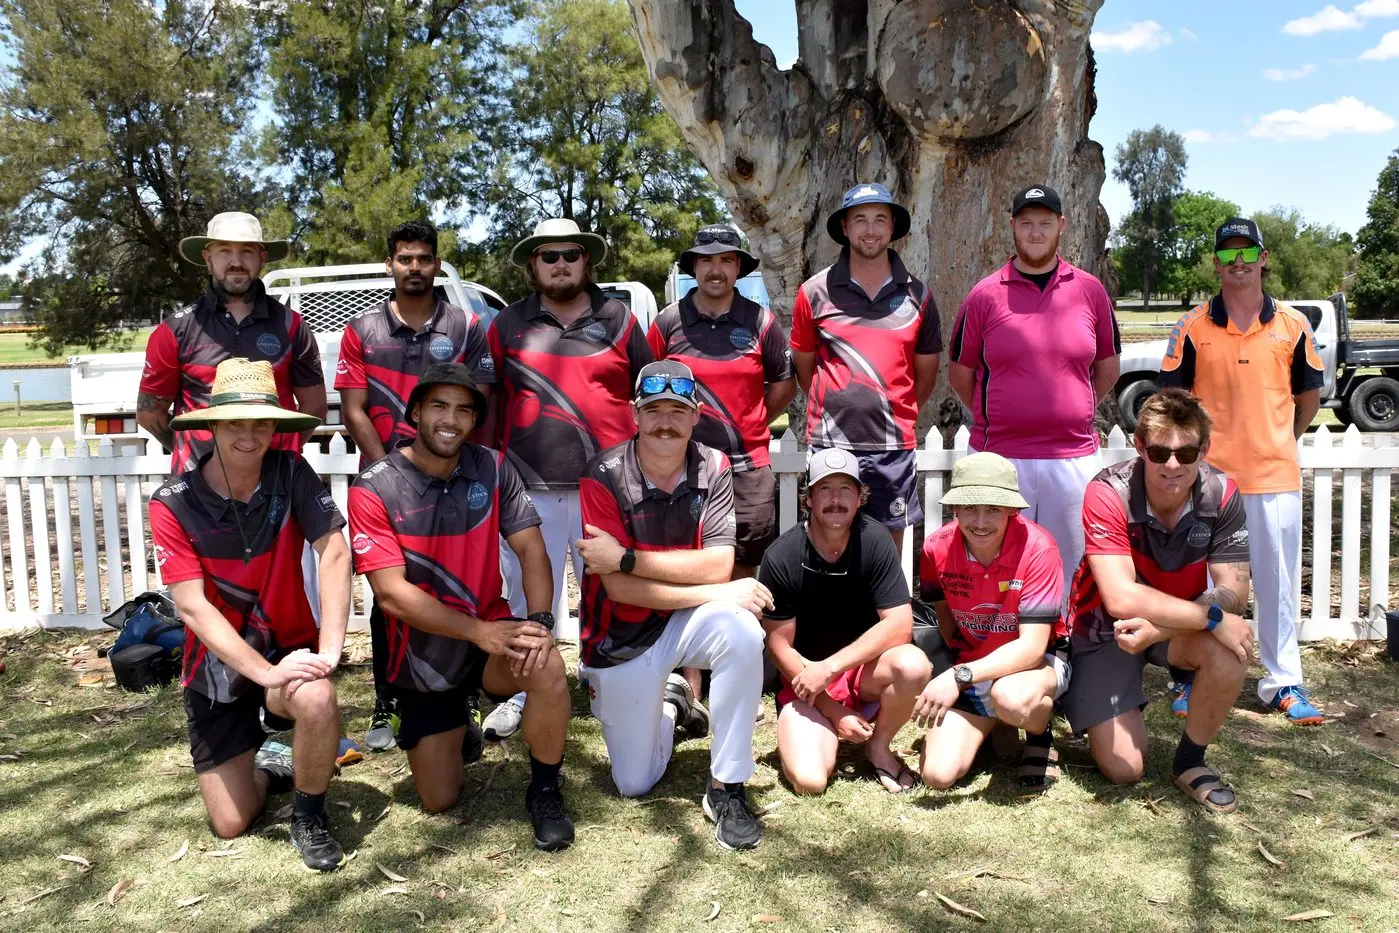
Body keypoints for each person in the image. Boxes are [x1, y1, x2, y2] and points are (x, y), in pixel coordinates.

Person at [348, 364, 575, 851]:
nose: (451, 419)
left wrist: (538, 623)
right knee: (438, 800)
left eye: (464, 410)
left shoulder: (492, 467)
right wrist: (480, 632)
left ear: (475, 421)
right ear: (414, 413)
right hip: (423, 652)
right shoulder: (374, 487)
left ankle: (545, 789)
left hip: (487, 633)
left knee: (546, 665)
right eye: (439, 406)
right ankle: (459, 728)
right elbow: (391, 594)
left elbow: (533, 550)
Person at [148, 358, 351, 871]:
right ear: (211, 425)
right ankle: (271, 764)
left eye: (261, 422)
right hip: (216, 668)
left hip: (287, 646)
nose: (249, 434)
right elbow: (191, 605)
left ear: (274, 427)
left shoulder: (292, 472)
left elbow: (335, 551)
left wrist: (328, 650)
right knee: (232, 823)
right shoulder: (172, 503)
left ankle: (309, 815)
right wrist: (263, 672)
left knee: (318, 696)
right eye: (235, 421)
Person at [574, 360, 772, 851]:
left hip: (684, 621)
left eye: (678, 411)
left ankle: (727, 786)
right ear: (634, 414)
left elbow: (719, 563)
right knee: (633, 784)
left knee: (743, 632)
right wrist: (717, 591)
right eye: (655, 410)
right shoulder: (602, 474)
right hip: (619, 637)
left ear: (695, 415)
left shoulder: (715, 465)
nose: (666, 421)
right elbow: (620, 591)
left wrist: (625, 558)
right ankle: (674, 703)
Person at [334, 219, 495, 752]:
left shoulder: (467, 325)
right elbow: (354, 409)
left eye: (424, 258)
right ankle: (390, 698)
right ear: (390, 265)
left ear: (437, 264)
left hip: (454, 477)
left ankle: (466, 697)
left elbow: (480, 404)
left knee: (460, 585)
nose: (415, 268)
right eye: (405, 258)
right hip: (387, 486)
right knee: (390, 598)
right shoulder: (362, 330)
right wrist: (392, 473)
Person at [1158, 217, 1325, 725]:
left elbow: (1310, 399)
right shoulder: (1191, 325)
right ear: (1216, 263)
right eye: (1227, 255)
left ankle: (1283, 683)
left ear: (1263, 257)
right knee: (1201, 583)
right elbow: (1174, 403)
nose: (1238, 264)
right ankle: (1188, 674)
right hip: (1208, 480)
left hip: (1275, 477)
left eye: (1246, 253)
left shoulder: (1294, 325)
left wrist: (1277, 441)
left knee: (1276, 584)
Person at [1063, 389, 1254, 812]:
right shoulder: (1107, 491)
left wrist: (1171, 627)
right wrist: (1210, 617)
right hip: (1105, 630)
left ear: (1204, 449)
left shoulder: (1222, 493)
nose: (1172, 465)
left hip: (1174, 625)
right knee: (1124, 769)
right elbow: (1119, 596)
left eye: (1186, 454)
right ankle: (1078, 697)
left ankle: (1190, 762)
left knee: (1232, 648)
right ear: (1139, 447)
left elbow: (1235, 590)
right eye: (1159, 452)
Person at [647, 224, 795, 708]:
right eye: (706, 261)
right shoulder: (668, 322)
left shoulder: (760, 322)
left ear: (737, 268)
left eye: (727, 260)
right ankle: (691, 686)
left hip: (747, 464)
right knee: (690, 566)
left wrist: (746, 424)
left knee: (745, 566)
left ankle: (741, 674)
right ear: (693, 268)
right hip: (682, 466)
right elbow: (647, 385)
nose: (716, 269)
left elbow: (782, 385)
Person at [947, 185, 1121, 591]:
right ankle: (1002, 649)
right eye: (1026, 223)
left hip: (1072, 458)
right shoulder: (985, 295)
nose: (1036, 232)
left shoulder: (1090, 291)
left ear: (1062, 226)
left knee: (1072, 566)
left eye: (1045, 223)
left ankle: (1064, 649)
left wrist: (1073, 406)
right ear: (1013, 227)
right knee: (999, 568)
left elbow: (1108, 367)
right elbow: (961, 374)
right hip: (1000, 457)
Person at [758, 448, 930, 795]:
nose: (835, 500)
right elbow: (777, 647)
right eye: (825, 489)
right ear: (808, 498)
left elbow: (899, 625)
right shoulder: (783, 554)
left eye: (845, 490)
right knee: (810, 782)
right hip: (804, 683)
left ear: (859, 497)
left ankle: (878, 747)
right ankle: (824, 733)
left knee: (913, 665)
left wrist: (832, 668)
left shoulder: (875, 539)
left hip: (861, 672)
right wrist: (833, 711)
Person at [790, 182, 942, 551]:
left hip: (892, 446)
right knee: (827, 547)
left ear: (893, 228)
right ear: (845, 228)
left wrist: (894, 412)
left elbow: (924, 376)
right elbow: (805, 369)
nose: (870, 229)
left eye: (879, 219)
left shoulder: (918, 295)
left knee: (885, 551)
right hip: (830, 444)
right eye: (860, 220)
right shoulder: (814, 291)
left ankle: (886, 612)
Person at [914, 452, 1072, 792]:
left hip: (1037, 663)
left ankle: (1038, 733)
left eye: (994, 509)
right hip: (973, 667)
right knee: (937, 776)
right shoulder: (934, 548)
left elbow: (1032, 648)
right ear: (954, 508)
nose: (981, 522)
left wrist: (958, 676)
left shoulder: (1039, 547)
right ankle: (993, 723)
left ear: (1012, 510)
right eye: (970, 508)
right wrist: (961, 667)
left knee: (1010, 697)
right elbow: (945, 615)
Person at [138, 212, 326, 474]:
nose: (236, 262)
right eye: (225, 251)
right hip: (198, 490)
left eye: (247, 252)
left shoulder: (292, 326)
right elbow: (150, 414)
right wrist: (193, 454)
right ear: (208, 258)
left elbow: (314, 406)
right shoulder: (174, 330)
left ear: (262, 258)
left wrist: (279, 453)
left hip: (278, 486)